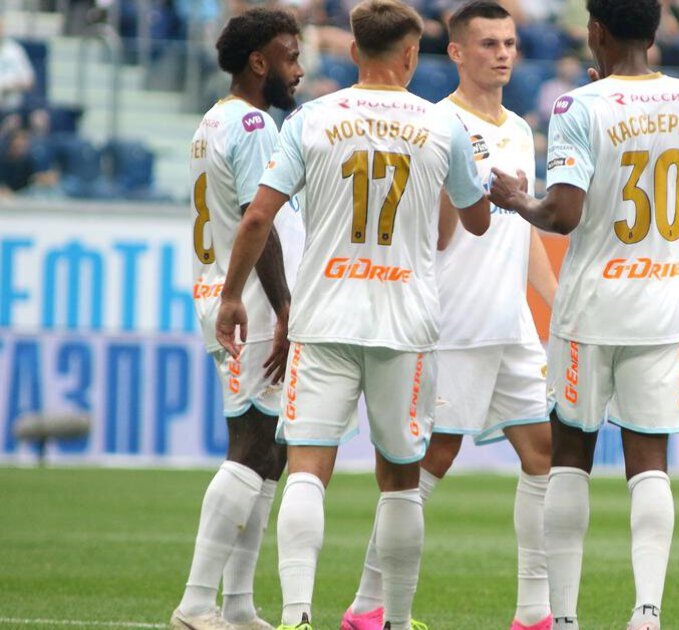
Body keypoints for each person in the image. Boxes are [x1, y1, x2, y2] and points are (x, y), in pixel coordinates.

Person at [215, 2, 491, 629]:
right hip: (405, 322)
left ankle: (296, 616)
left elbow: (257, 217)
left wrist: (232, 295)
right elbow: (475, 220)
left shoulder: (311, 119)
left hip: (324, 317)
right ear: (411, 53)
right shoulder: (442, 124)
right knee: (400, 477)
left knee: (308, 470)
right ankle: (396, 619)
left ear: (353, 51)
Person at [488, 0, 679, 627]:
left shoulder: (578, 106)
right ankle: (647, 612)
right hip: (665, 302)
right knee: (650, 463)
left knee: (571, 456)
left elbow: (562, 214)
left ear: (596, 30)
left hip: (593, 305)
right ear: (656, 30)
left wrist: (517, 199)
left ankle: (563, 617)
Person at [339, 3, 557, 630]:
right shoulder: (437, 125)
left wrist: (556, 299)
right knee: (432, 458)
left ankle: (534, 612)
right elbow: (432, 237)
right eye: (488, 43)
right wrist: (456, 191)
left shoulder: (520, 129)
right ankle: (367, 603)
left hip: (510, 323)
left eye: (509, 42)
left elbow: (521, 233)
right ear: (456, 52)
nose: (503, 53)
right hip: (454, 320)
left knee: (543, 453)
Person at [171, 9, 305, 630]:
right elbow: (261, 220)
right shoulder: (253, 124)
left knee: (271, 451)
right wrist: (282, 305)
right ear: (259, 62)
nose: (298, 69)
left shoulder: (213, 121)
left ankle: (239, 604)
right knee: (252, 446)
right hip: (248, 300)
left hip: (225, 292)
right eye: (289, 56)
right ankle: (197, 602)